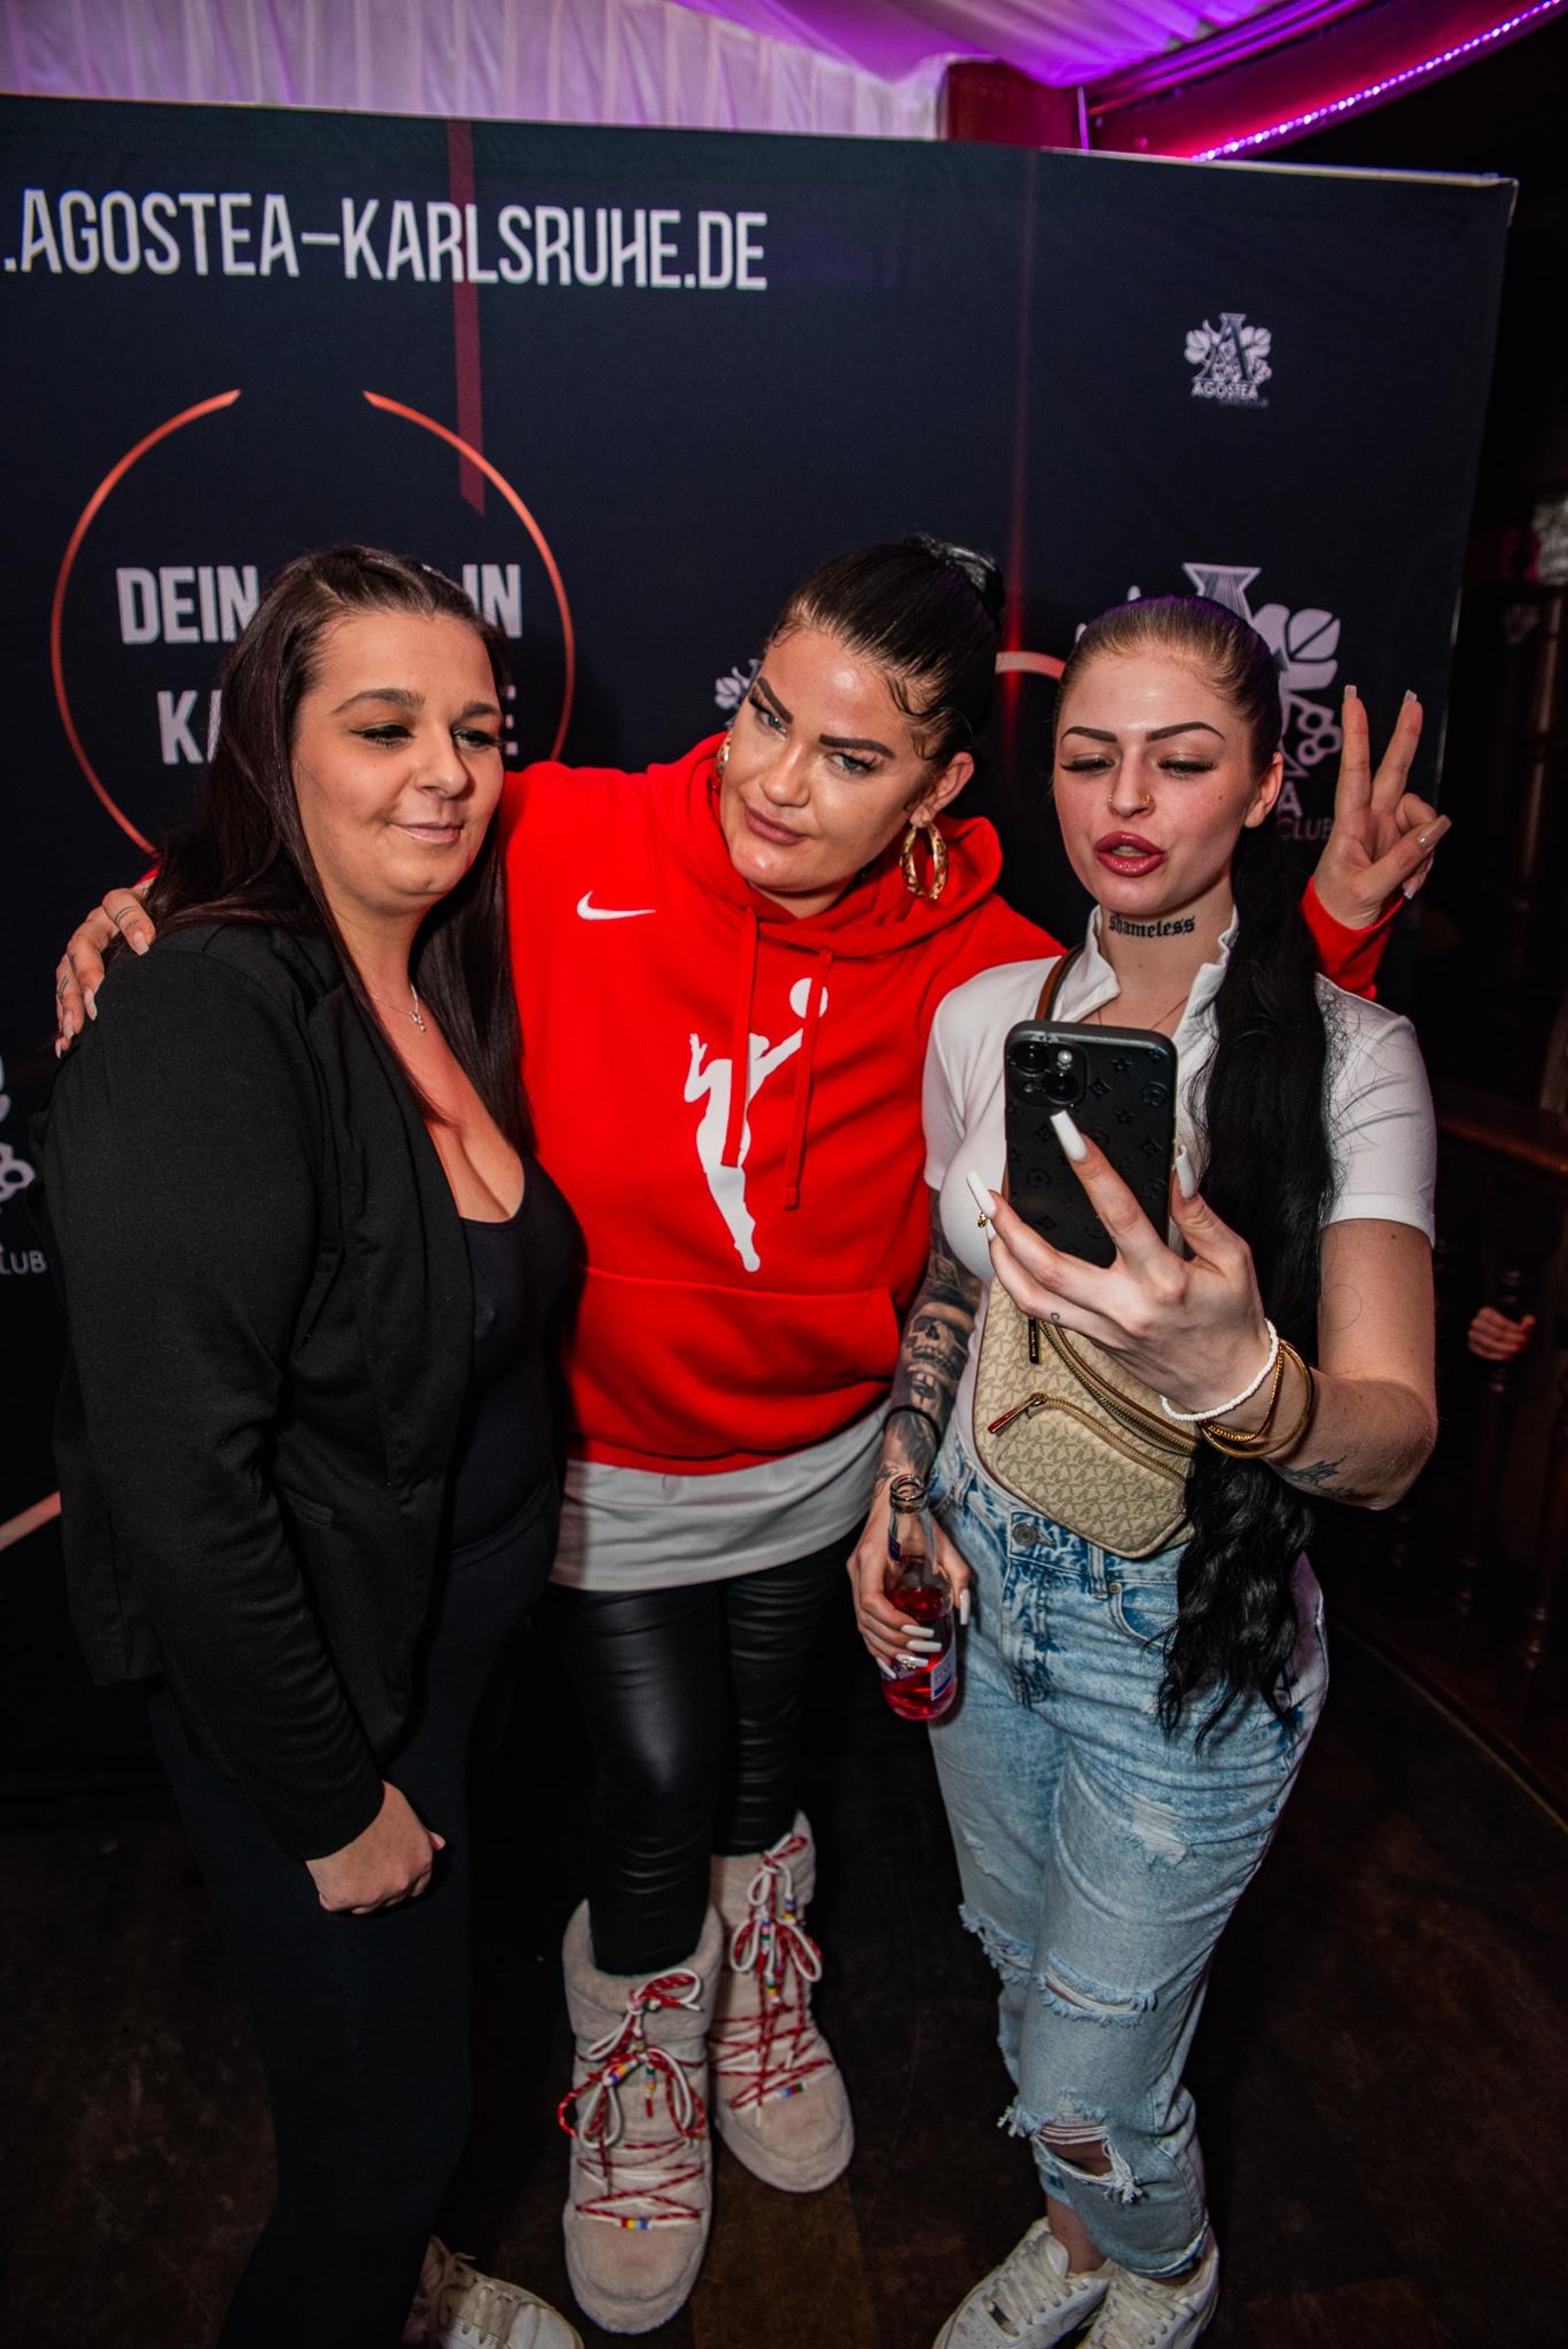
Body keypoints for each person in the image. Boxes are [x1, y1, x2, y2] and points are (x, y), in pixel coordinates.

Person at [53, 539, 1443, 2337]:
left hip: (827, 1468)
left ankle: (757, 1989)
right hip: (605, 1467)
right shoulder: (556, 827)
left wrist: (1333, 932)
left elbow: (1208, 1043)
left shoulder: (984, 965)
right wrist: (148, 902)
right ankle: (644, 2032)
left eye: (850, 757)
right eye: (763, 716)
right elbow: (320, 840)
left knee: (765, 1763)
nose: (775, 780)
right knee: (653, 1773)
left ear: (940, 787)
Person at [849, 595, 1438, 2349]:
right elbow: (953, 1283)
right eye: (1088, 756)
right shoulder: (983, 1016)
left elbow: (1394, 1439)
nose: (1124, 800)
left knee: (1089, 2073)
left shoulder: (1351, 1057)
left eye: (1180, 762)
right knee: (1022, 1976)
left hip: (1183, 1655)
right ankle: (1081, 2242)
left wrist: (1243, 1380)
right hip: (983, 1609)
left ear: (1260, 786)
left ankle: (1162, 2269)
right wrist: (899, 1486)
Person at [36, 547, 582, 2349]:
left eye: (476, 731)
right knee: (380, 2148)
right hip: (324, 1710)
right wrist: (330, 1804)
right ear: (274, 744)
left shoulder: (439, 970)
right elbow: (183, 1486)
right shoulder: (206, 1012)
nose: (447, 771)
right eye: (384, 726)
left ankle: (405, 2295)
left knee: (410, 2094)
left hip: (443, 1667)